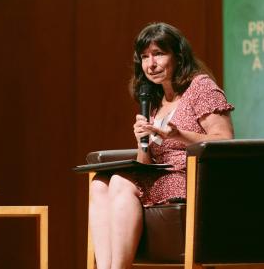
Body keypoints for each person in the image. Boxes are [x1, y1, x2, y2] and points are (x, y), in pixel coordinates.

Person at [88, 22, 235, 269]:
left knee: (119, 182)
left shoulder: (200, 87)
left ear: (178, 56)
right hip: (158, 176)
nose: (151, 64)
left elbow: (225, 140)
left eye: (158, 54)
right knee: (100, 184)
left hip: (189, 177)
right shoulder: (155, 99)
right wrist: (142, 145)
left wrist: (177, 135)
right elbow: (146, 163)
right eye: (144, 57)